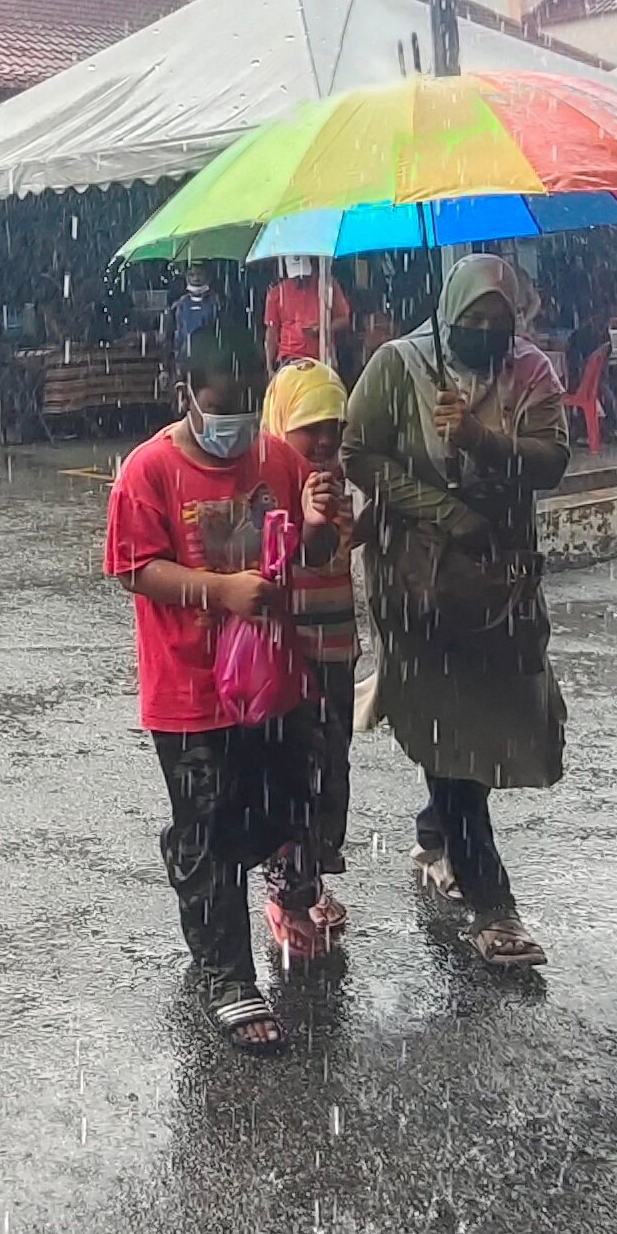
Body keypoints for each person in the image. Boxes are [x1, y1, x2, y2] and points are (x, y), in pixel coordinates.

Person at [104, 313, 330, 1053]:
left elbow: (310, 547)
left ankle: (280, 894)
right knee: (209, 832)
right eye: (222, 401)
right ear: (187, 396)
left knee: (282, 806)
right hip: (190, 689)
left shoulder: (275, 459)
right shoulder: (150, 471)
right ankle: (227, 974)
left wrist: (327, 521)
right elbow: (136, 568)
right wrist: (217, 591)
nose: (235, 419)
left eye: (249, 398)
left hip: (273, 680)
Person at [342, 255, 568, 969]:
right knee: (447, 725)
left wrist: (481, 440)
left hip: (500, 585)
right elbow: (358, 454)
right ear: (448, 316)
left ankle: (438, 829)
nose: (487, 336)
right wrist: (440, 508)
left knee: (496, 717)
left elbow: (553, 460)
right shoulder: (397, 365)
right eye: (472, 324)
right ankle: (491, 902)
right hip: (417, 584)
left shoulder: (529, 373)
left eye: (500, 325)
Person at [261, 357, 359, 953]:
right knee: (295, 770)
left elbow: (343, 551)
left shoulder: (339, 478)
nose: (323, 440)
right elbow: (292, 561)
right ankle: (287, 897)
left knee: (334, 766)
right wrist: (308, 517)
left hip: (337, 649)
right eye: (309, 426)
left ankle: (313, 877)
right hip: (287, 657)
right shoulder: (266, 483)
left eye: (334, 425)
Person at [261, 257, 344, 369]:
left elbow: (344, 318)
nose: (300, 280)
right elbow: (272, 332)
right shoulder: (276, 293)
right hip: (289, 358)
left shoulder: (326, 286)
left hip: (321, 356)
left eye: (304, 276)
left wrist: (322, 329)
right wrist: (269, 366)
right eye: (296, 277)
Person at [164, 262, 225, 364]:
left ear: (207, 277)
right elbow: (169, 336)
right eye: (192, 275)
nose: (196, 278)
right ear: (186, 277)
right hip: (183, 359)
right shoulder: (179, 305)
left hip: (211, 360)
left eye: (199, 274)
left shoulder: (217, 304)